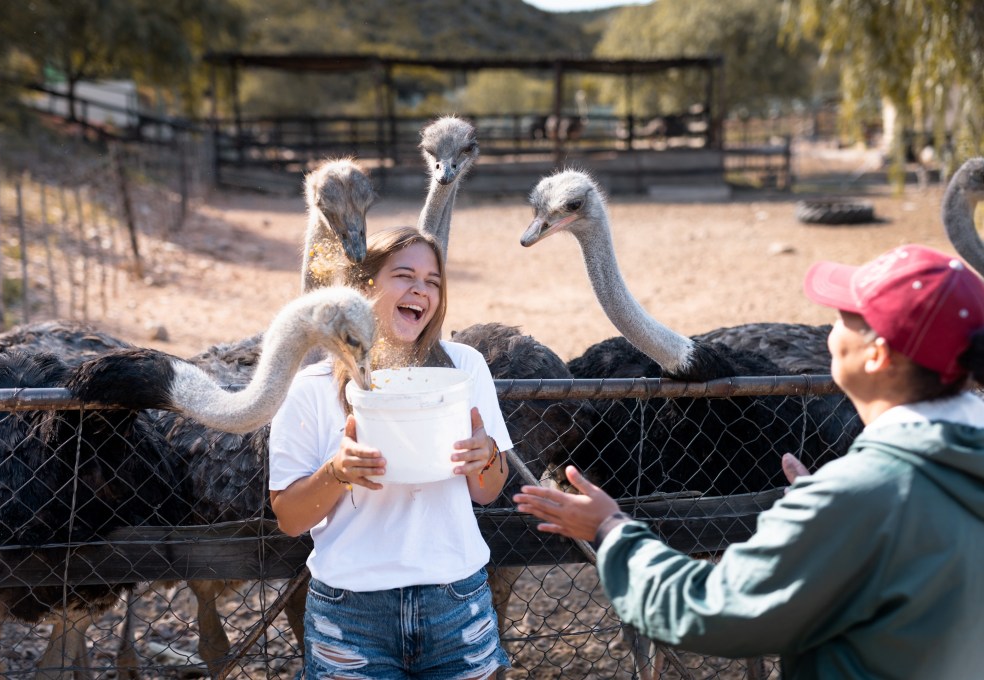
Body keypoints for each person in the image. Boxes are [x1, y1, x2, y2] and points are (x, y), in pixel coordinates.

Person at [514, 243, 984, 679]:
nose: (831, 329)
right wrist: (825, 514)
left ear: (877, 355)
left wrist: (611, 530)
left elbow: (713, 612)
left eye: (846, 317)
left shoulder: (858, 497)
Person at [269, 226, 512, 679]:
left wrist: (487, 456)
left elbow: (487, 490)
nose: (421, 289)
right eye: (404, 276)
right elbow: (290, 518)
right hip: (351, 613)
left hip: (456, 601)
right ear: (364, 286)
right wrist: (337, 473)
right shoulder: (309, 389)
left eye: (433, 281)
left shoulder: (465, 368)